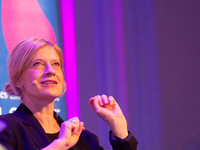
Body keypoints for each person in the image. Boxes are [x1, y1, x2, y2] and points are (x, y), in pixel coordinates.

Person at [0, 37, 138, 150]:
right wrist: (60, 146)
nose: (50, 70)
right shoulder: (6, 128)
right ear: (18, 80)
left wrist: (118, 126)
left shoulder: (85, 139)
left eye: (56, 64)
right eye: (38, 64)